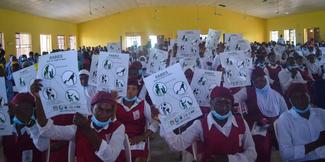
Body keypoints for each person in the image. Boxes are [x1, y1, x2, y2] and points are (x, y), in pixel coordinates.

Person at [31, 79, 126, 162]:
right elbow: (48, 131)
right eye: (100, 109)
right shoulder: (79, 126)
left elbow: (109, 157)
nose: (103, 114)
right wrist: (38, 99)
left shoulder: (118, 127)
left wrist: (87, 128)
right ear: (92, 108)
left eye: (108, 111)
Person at [161, 86, 257, 162]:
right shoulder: (200, 125)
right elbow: (178, 144)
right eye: (218, 102)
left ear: (231, 105)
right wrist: (163, 120)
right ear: (211, 103)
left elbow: (252, 152)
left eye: (227, 103)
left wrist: (228, 159)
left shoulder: (241, 123)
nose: (223, 108)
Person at [234, 67, 288, 162]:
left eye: (262, 80)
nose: (260, 83)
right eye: (256, 81)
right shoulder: (248, 91)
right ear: (253, 82)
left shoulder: (276, 95)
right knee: (261, 145)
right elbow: (235, 98)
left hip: (276, 126)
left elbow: (285, 113)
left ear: (266, 79)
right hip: (258, 126)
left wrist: (279, 125)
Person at [276, 83, 325, 162]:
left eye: (303, 96)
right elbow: (285, 154)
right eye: (295, 98)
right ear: (290, 101)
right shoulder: (284, 120)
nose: (300, 100)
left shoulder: (322, 113)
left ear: (309, 96)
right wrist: (317, 144)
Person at [116, 77, 158, 162]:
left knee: (140, 159)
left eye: (133, 89)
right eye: (127, 88)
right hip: (119, 142)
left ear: (137, 91)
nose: (130, 91)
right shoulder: (116, 104)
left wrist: (141, 137)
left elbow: (155, 123)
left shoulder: (143, 104)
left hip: (137, 141)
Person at [2, 93, 49, 162]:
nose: (24, 113)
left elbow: (43, 146)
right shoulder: (6, 132)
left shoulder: (38, 129)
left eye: (27, 109)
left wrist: (27, 121)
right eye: (19, 109)